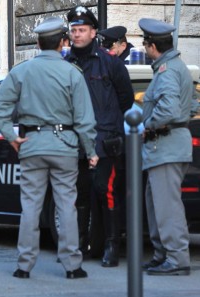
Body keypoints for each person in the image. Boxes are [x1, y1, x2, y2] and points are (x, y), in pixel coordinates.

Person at [0, 17, 98, 279]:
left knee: (30, 207)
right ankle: (72, 265)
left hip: (32, 145)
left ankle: (24, 266)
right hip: (65, 146)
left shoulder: (22, 71)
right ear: (63, 43)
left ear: (38, 43)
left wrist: (10, 136)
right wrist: (91, 151)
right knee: (66, 206)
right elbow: (85, 119)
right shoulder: (72, 73)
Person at [66, 6, 134, 267]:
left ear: (94, 32)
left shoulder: (110, 64)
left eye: (82, 30)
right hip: (75, 142)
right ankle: (82, 244)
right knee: (79, 194)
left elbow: (126, 101)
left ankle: (111, 245)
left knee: (105, 191)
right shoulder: (67, 63)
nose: (78, 34)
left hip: (105, 140)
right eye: (74, 30)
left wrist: (108, 130)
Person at [139, 18, 196, 276]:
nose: (144, 47)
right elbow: (193, 104)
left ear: (152, 46)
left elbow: (169, 108)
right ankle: (164, 253)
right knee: (157, 205)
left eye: (145, 43)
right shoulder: (175, 67)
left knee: (167, 207)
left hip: (166, 146)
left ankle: (176, 259)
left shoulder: (167, 71)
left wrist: (147, 125)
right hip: (166, 147)